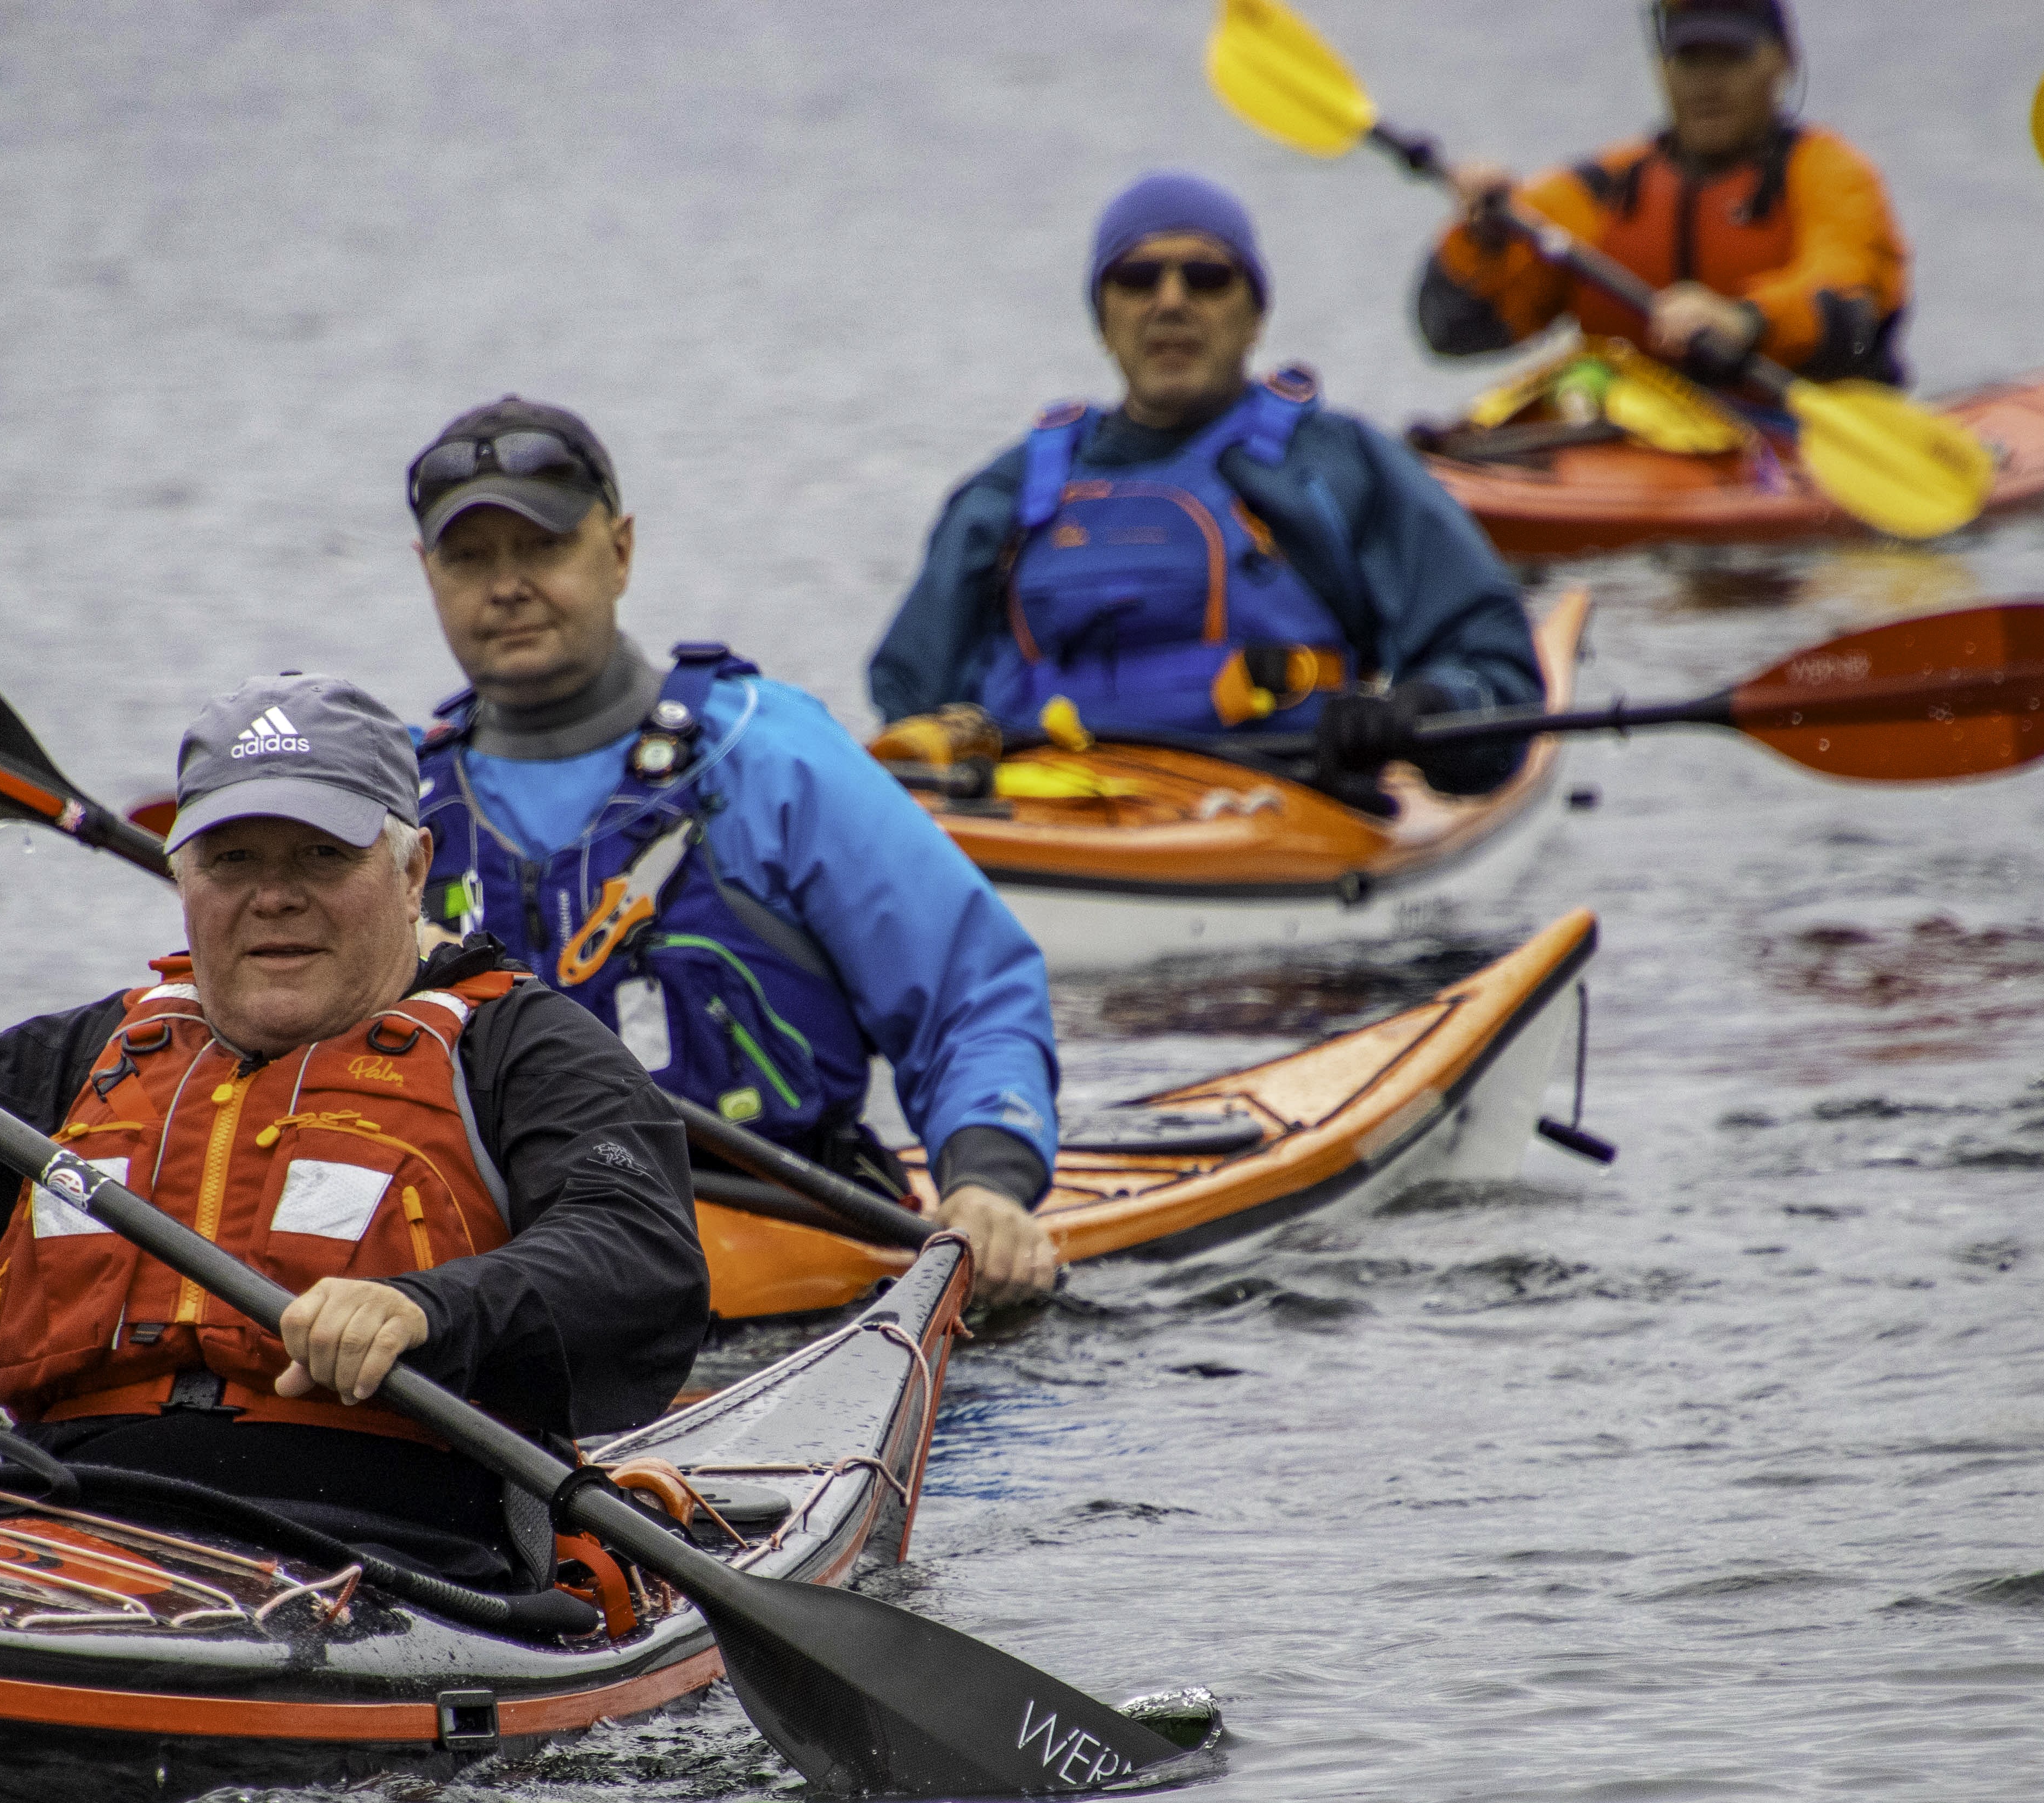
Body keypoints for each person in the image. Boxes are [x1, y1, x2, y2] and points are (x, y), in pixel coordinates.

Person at [0, 674, 710, 1590]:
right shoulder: (98, 1053)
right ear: (185, 879)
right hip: (56, 1519)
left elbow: (638, 1257)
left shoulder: (518, 1048)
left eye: (321, 855)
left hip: (388, 1549)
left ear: (411, 870)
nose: (274, 896)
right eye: (233, 859)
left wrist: (428, 1308)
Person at [405, 396, 1062, 1308]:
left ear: (621, 549)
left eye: (544, 547)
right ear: (426, 573)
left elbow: (971, 997)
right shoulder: (391, 809)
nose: (506, 586)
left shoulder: (767, 753)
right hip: (493, 1279)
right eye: (469, 559)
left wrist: (988, 1179)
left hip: (795, 1260)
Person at [866, 171, 1542, 815]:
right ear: (1102, 319)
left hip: (1282, 799)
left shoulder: (1334, 465)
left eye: (1207, 278)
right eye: (1136, 278)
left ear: (1255, 317)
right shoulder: (1013, 488)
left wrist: (1415, 711)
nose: (1170, 301)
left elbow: (1493, 669)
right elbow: (909, 702)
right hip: (1045, 805)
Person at [1419, 0, 1910, 388]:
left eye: (1730, 59)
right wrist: (1481, 238)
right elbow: (1453, 333)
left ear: (1780, 62)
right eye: (1690, 60)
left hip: (1791, 427)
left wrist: (1744, 321)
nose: (1707, 85)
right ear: (1662, 69)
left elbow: (1847, 304)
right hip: (1640, 440)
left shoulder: (1830, 173)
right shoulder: (1601, 191)